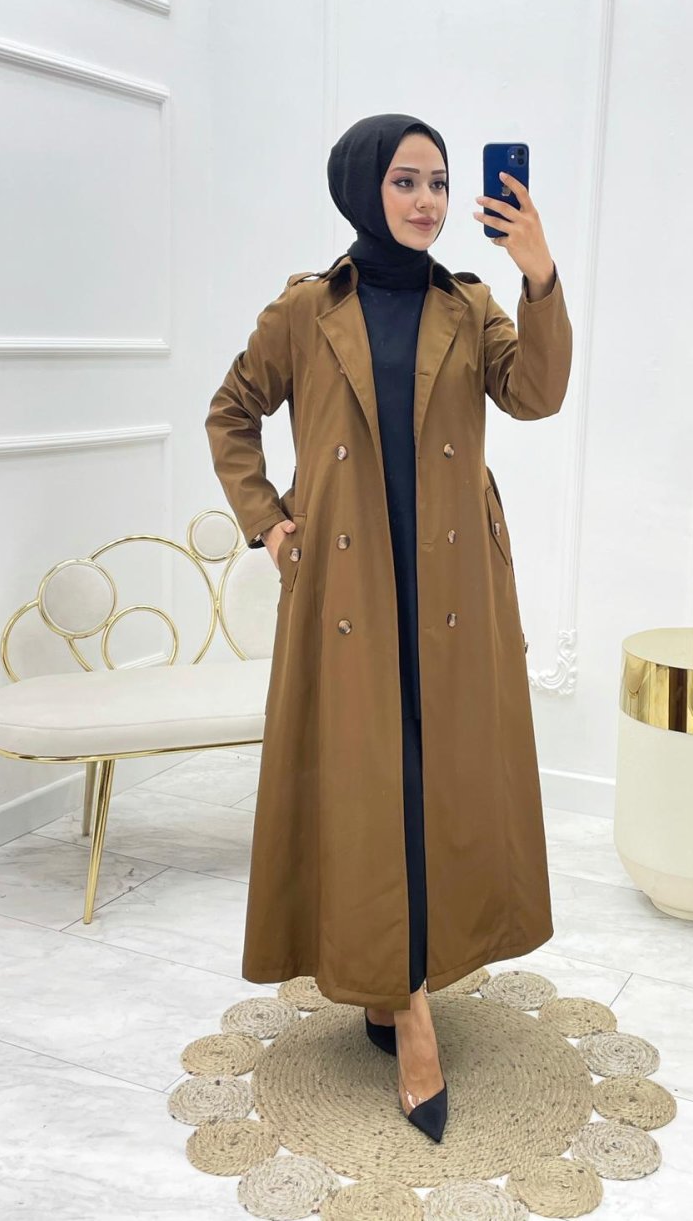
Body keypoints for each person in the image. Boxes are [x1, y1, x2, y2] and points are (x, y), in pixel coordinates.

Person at [204, 113, 573, 1143]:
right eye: (406, 180)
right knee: (374, 783)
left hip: (453, 588)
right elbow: (231, 411)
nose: (426, 200)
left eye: (439, 182)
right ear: (364, 187)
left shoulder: (471, 302)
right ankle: (408, 1010)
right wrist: (268, 520)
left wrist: (540, 275)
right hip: (347, 588)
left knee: (431, 778)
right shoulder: (306, 309)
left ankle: (395, 981)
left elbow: (537, 393)